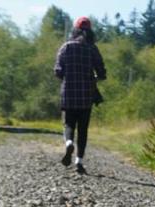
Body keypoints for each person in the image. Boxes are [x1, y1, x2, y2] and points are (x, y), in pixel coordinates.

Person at [54, 16, 106, 175]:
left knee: (69, 124)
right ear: (90, 31)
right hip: (86, 95)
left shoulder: (66, 47)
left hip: (68, 93)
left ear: (74, 30)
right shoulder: (92, 48)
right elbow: (102, 72)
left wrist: (68, 77)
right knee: (83, 129)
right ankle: (79, 162)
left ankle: (69, 142)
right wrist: (95, 78)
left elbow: (58, 71)